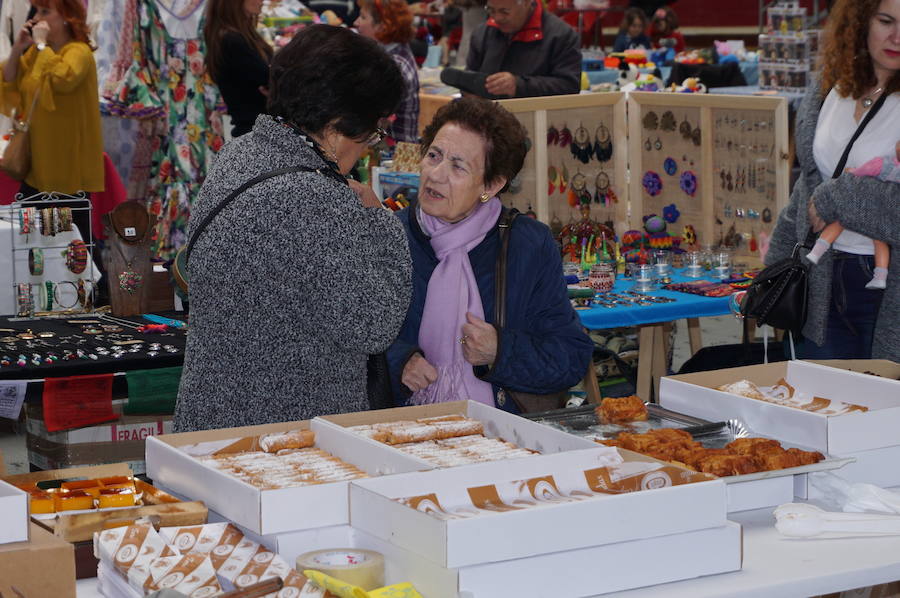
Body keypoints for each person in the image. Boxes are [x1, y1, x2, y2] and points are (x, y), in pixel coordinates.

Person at [175, 25, 412, 432]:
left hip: (214, 414)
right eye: (372, 131)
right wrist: (379, 220)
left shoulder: (242, 152)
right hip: (283, 436)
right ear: (338, 125)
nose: (370, 144)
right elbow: (375, 325)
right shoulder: (314, 196)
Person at [386, 97, 593, 411]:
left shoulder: (527, 245)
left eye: (458, 167)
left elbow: (570, 357)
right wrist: (398, 361)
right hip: (400, 433)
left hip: (502, 431)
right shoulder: (388, 236)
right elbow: (343, 343)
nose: (436, 174)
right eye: (433, 155)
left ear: (492, 185)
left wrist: (501, 351)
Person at [767, 0, 900, 362]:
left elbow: (826, 194)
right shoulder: (831, 83)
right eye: (885, 20)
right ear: (860, 22)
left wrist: (840, 197)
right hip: (820, 275)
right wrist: (774, 269)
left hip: (888, 288)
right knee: (822, 405)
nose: (897, 37)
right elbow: (808, 186)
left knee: (882, 412)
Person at [0, 0, 103, 238]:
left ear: (66, 16)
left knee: (71, 243)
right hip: (37, 165)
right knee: (31, 239)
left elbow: (64, 79)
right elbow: (9, 80)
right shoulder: (40, 53)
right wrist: (19, 47)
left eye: (46, 11)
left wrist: (40, 45)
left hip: (66, 169)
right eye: (37, 11)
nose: (38, 18)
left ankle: (93, 276)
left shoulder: (79, 52)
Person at [806, 141, 899, 289]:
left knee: (839, 223)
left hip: (860, 223)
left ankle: (817, 251)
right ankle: (880, 276)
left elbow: (865, 170)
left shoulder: (883, 163)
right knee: (879, 242)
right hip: (876, 219)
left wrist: (850, 177)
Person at [465, 0, 581, 98]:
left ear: (527, 3)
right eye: (491, 10)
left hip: (537, 119)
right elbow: (470, 74)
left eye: (504, 11)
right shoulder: (483, 33)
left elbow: (569, 86)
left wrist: (519, 85)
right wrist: (468, 88)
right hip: (485, 117)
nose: (497, 18)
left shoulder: (561, 36)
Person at [204, 0, 272, 138]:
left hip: (257, 128)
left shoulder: (241, 35)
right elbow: (268, 78)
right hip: (255, 131)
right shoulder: (232, 41)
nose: (262, 1)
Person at [355, 0, 420, 142]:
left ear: (383, 26)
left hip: (394, 154)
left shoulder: (395, 65)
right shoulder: (391, 54)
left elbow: (375, 122)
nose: (356, 22)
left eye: (363, 17)